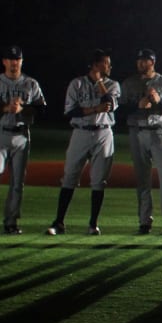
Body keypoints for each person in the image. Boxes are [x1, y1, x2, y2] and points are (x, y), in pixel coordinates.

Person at [46, 49, 121, 236]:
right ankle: (59, 222)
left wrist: (99, 83)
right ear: (96, 65)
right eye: (106, 63)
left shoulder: (112, 84)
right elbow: (70, 112)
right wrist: (95, 108)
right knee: (70, 176)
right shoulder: (77, 84)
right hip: (80, 132)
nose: (109, 66)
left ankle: (93, 224)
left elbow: (110, 104)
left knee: (98, 181)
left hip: (104, 133)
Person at [0, 45, 47, 235]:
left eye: (17, 59)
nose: (14, 63)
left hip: (22, 135)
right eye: (10, 59)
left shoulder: (31, 83)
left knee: (17, 183)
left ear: (22, 61)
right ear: (4, 61)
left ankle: (11, 222)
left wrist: (23, 109)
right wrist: (5, 108)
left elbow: (42, 109)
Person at [120, 48, 162, 235]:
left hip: (159, 132)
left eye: (145, 60)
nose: (141, 63)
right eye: (139, 60)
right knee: (142, 180)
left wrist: (161, 101)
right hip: (137, 132)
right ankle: (144, 222)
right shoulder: (129, 83)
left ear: (153, 62)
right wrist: (137, 105)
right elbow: (118, 110)